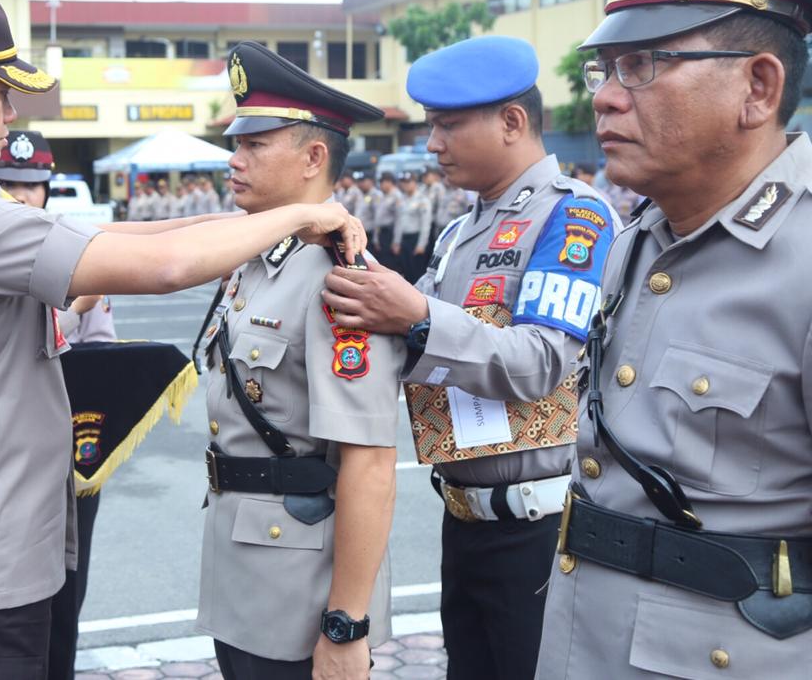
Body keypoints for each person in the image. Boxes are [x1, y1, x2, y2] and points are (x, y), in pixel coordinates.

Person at [0, 0, 367, 680]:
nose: (11, 112)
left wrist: (265, 220)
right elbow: (164, 266)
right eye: (1, 93)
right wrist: (298, 217)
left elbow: (112, 234)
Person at [534, 0, 812, 678]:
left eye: (645, 63)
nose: (605, 95)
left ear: (758, 87)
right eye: (606, 66)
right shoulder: (635, 243)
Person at [322, 35, 619, 679]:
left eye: (449, 125)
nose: (433, 144)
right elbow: (406, 331)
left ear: (512, 122)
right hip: (465, 518)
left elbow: (543, 362)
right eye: (433, 126)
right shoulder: (462, 231)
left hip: (540, 532)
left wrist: (419, 315)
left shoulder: (572, 218)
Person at [197, 40, 403, 680]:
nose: (234, 160)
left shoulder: (340, 280)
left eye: (254, 145)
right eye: (237, 144)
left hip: (301, 586)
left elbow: (368, 464)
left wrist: (346, 625)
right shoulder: (255, 261)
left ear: (315, 157)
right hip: (243, 568)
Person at [0, 130, 115, 680]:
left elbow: (102, 355)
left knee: (66, 596)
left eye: (32, 186)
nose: (21, 197)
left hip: (69, 456)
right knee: (4, 599)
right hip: (1, 454)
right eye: (8, 184)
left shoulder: (78, 256)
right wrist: (67, 313)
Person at [390, 171, 432, 284]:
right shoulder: (401, 199)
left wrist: (421, 245)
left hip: (416, 239)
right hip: (404, 239)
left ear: (415, 183)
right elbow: (398, 222)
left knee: (417, 273)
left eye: (408, 182)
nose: (406, 185)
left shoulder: (422, 199)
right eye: (403, 182)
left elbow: (425, 224)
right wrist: (396, 242)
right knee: (406, 272)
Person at [372, 172, 401, 266]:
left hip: (390, 234)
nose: (380, 185)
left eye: (382, 182)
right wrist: (376, 238)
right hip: (382, 234)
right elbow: (378, 218)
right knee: (383, 262)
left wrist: (396, 241)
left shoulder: (396, 196)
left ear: (389, 182)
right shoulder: (382, 196)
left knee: (391, 264)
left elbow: (399, 220)